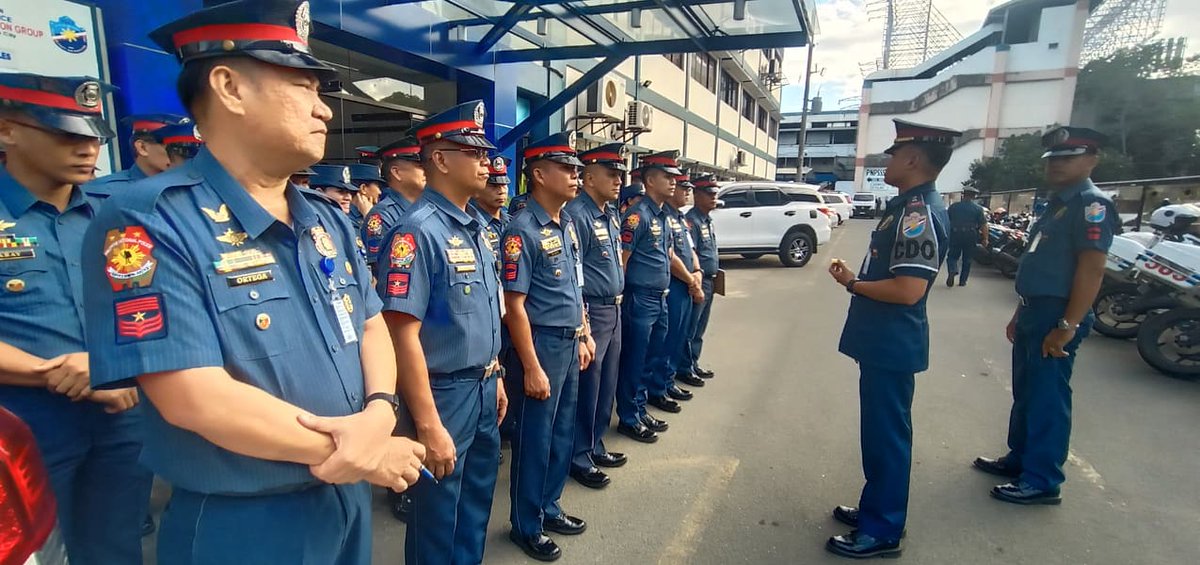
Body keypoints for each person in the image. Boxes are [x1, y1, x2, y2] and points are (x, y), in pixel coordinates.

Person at [81, 3, 427, 563]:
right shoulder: (148, 221)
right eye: (303, 86)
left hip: (346, 499)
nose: (323, 109)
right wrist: (362, 450)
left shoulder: (327, 217)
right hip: (244, 522)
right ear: (229, 87)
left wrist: (382, 411)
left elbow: (369, 323)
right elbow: (194, 398)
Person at [0, 73, 151, 565]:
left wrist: (116, 365)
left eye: (92, 136)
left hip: (122, 416)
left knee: (115, 548)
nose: (87, 148)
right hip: (21, 428)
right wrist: (52, 372)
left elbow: (151, 307)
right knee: (28, 552)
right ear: (8, 130)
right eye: (67, 134)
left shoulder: (116, 215)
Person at [375, 100, 507, 564]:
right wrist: (428, 424)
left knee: (475, 505)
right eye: (473, 153)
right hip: (444, 394)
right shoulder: (416, 233)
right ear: (440, 159)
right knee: (437, 518)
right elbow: (400, 333)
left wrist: (497, 373)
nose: (487, 163)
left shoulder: (477, 227)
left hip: (484, 386)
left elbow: (483, 312)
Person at [825, 119, 959, 559]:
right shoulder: (905, 207)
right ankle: (875, 508)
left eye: (893, 154)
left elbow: (907, 290)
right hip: (883, 342)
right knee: (880, 434)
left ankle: (882, 529)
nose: (887, 160)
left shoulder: (917, 212)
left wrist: (854, 285)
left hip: (892, 343)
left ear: (914, 159)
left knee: (887, 437)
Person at [973, 127, 1117, 505]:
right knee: (1026, 392)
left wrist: (1067, 326)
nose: (1057, 165)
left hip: (1058, 314)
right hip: (1036, 310)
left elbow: (1092, 269)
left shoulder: (1091, 205)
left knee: (1048, 398)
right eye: (1054, 158)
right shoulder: (1059, 204)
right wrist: (1020, 311)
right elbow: (1038, 264)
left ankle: (1042, 478)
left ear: (1091, 160)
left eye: (1068, 157)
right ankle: (1020, 459)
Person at [502, 132, 594, 562]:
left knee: (561, 432)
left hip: (569, 340)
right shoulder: (522, 230)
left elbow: (576, 286)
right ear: (539, 174)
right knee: (536, 438)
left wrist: (585, 332)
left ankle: (550, 505)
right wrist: (532, 366)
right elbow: (513, 306)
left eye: (577, 169)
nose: (576, 176)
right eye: (567, 168)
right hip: (540, 345)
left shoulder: (567, 223)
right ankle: (526, 523)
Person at [564, 142, 629, 490]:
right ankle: (578, 454)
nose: (618, 181)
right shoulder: (578, 215)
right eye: (611, 174)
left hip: (614, 307)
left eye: (620, 174)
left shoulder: (610, 213)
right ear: (589, 177)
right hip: (593, 309)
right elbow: (576, 273)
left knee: (606, 385)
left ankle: (595, 443)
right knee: (588, 385)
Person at [614, 150, 682, 444]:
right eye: (667, 177)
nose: (673, 183)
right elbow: (623, 261)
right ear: (650, 180)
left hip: (660, 297)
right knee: (635, 359)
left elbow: (665, 254)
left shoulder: (662, 215)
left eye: (673, 178)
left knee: (651, 358)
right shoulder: (636, 216)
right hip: (640, 299)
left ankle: (640, 409)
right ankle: (629, 417)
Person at [647, 172, 704, 412]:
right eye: (681, 186)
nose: (682, 189)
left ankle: (668, 382)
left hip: (687, 283)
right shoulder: (659, 217)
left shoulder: (678, 218)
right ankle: (658, 388)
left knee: (678, 338)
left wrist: (698, 271)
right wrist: (691, 279)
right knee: (663, 342)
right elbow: (669, 256)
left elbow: (689, 249)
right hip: (673, 285)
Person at [84, 113, 189, 199]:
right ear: (142, 148)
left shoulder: (190, 190)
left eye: (183, 149)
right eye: (171, 148)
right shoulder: (102, 192)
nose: (179, 155)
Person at [362, 135, 425, 267]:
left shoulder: (427, 207)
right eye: (420, 166)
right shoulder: (382, 216)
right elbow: (380, 268)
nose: (427, 171)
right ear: (396, 172)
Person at [683, 174, 720, 380]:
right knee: (691, 326)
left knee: (701, 327)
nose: (713, 197)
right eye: (709, 193)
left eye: (715, 193)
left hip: (711, 280)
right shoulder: (691, 221)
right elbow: (692, 253)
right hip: (700, 280)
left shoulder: (707, 220)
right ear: (696, 195)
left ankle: (693, 362)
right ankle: (686, 367)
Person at [945, 186, 988, 288]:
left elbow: (946, 222)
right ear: (974, 196)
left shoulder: (953, 207)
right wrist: (985, 238)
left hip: (955, 234)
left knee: (952, 256)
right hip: (971, 235)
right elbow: (983, 225)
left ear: (963, 195)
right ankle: (962, 281)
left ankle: (952, 270)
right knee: (967, 259)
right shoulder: (978, 209)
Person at [473, 155, 513, 252]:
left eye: (504, 185)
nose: (501, 191)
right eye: (494, 186)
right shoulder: (473, 226)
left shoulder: (512, 222)